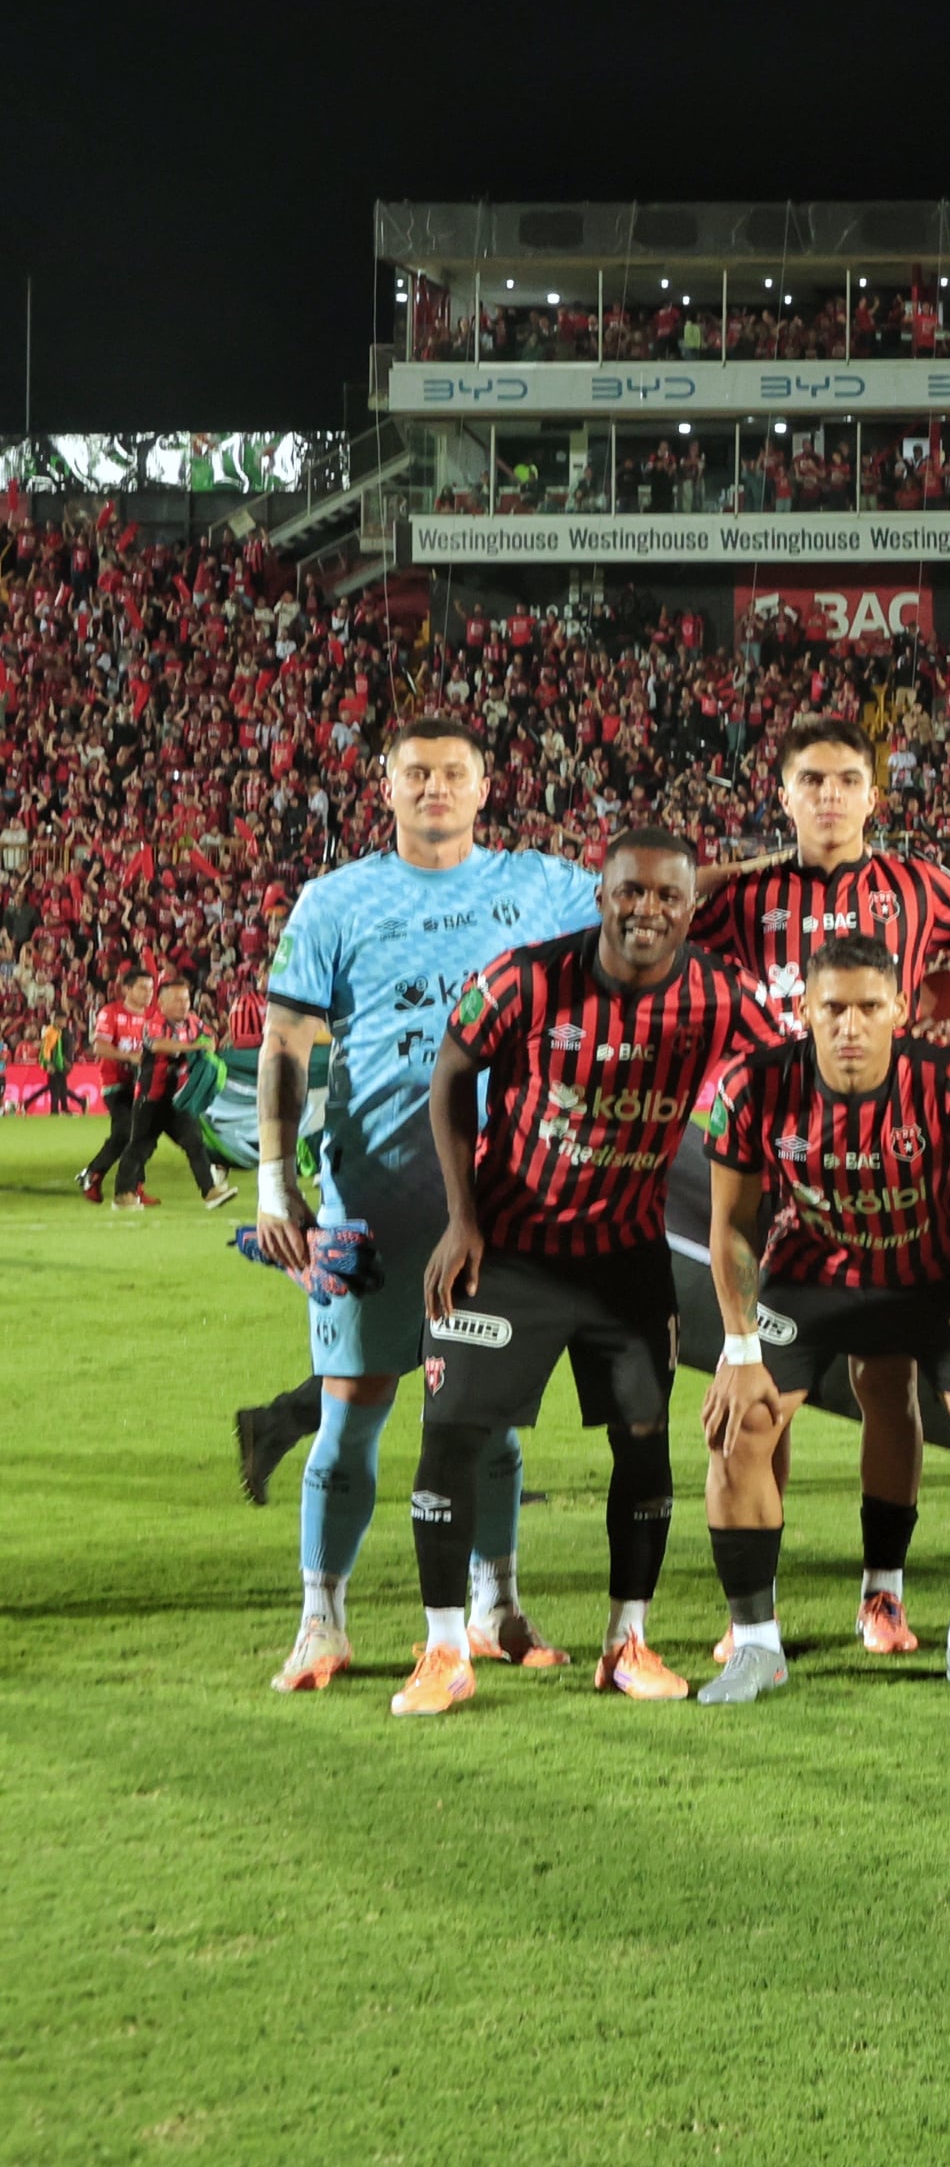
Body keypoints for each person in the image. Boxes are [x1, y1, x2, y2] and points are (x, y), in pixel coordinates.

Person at [252, 720, 598, 1694]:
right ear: (387, 787)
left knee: (488, 1414)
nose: (435, 786)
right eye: (417, 773)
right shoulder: (336, 899)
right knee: (352, 1410)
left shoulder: (543, 885)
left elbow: (649, 903)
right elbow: (284, 1042)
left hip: (498, 1199)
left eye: (453, 772)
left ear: (485, 785)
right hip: (367, 1198)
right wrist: (278, 1182)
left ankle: (494, 1607)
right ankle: (322, 1621)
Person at [389, 832, 766, 1713]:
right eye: (631, 893)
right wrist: (462, 1217)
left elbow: (784, 1077)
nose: (649, 911)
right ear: (602, 898)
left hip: (624, 1262)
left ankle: (626, 1640)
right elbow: (452, 1074)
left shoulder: (716, 995)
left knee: (642, 1443)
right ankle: (446, 1649)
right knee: (450, 1436)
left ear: (688, 904)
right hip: (508, 1253)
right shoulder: (523, 979)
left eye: (668, 897)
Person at [689, 715, 950, 1654]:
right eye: (810, 781)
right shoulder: (749, 897)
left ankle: (884, 1592)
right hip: (786, 1148)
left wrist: (944, 1005)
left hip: (900, 1155)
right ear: (783, 795)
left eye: (845, 781)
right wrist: (739, 869)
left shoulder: (918, 884)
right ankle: (760, 1601)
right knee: (758, 1390)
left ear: (875, 795)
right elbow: (642, 899)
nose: (829, 796)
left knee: (886, 1383)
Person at [693, 935, 950, 1702]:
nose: (850, 1024)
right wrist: (739, 1349)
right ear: (803, 1009)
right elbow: (731, 1226)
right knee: (738, 1425)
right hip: (809, 1282)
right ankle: (755, 1645)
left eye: (869, 1007)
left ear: (899, 1010)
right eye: (832, 1007)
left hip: (927, 1280)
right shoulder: (752, 1084)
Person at [110, 976, 231, 1207]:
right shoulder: (154, 1023)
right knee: (140, 1146)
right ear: (162, 1004)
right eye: (177, 1000)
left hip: (178, 1099)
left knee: (194, 1141)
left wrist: (209, 1044)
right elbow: (157, 1045)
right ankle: (122, 1194)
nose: (183, 1004)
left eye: (186, 999)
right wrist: (195, 1046)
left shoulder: (194, 1022)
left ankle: (210, 1191)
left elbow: (210, 1038)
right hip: (151, 1098)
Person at [77, 967, 156, 1204]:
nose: (148, 994)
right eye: (143, 988)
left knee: (142, 1135)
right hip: (117, 1084)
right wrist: (130, 1057)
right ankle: (94, 1174)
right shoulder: (110, 1013)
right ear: (127, 989)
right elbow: (99, 1047)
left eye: (151, 989)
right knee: (125, 1131)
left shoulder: (152, 1017)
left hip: (142, 1085)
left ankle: (132, 1187)